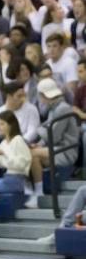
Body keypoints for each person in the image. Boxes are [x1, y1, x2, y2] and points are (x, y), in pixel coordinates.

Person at [26, 78, 80, 208]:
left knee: (33, 155)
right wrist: (39, 144)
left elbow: (53, 137)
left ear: (43, 95)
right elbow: (49, 134)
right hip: (56, 148)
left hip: (66, 151)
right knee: (29, 153)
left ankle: (38, 193)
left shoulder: (63, 109)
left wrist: (39, 129)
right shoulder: (54, 108)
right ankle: (31, 189)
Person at [0, 110, 32, 196]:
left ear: (11, 125)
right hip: (7, 177)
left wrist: (4, 153)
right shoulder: (3, 143)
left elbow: (22, 164)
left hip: (18, 180)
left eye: (2, 124)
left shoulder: (18, 140)